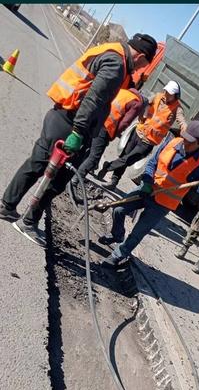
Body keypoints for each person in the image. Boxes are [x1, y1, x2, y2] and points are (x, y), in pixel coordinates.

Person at [0, 34, 157, 247]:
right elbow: (94, 98)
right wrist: (78, 131)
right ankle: (28, 222)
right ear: (140, 55)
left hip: (60, 115)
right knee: (57, 179)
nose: (142, 68)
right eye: (145, 64)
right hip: (71, 123)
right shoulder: (116, 64)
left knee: (36, 163)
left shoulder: (112, 52)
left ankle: (7, 206)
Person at [101, 121, 199, 268]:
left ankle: (117, 256)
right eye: (185, 138)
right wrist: (147, 180)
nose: (185, 142)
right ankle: (117, 234)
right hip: (148, 187)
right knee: (119, 209)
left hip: (163, 203)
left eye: (190, 142)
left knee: (138, 232)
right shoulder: (173, 142)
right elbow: (153, 162)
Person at [98, 80, 187, 189]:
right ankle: (114, 182)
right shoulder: (158, 96)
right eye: (166, 91)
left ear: (175, 96)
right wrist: (143, 114)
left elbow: (181, 121)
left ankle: (108, 166)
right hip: (138, 132)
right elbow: (144, 102)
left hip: (148, 141)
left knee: (128, 159)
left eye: (170, 94)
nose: (166, 94)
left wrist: (185, 129)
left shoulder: (177, 109)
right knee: (124, 156)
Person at [71, 88, 148, 184]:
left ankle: (74, 168)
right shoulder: (137, 104)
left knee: (89, 146)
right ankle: (76, 179)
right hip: (106, 126)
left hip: (96, 117)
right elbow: (125, 123)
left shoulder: (124, 91)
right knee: (94, 156)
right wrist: (114, 134)